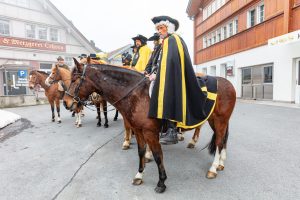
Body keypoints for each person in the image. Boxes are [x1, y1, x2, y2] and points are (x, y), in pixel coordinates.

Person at [148, 16, 207, 145]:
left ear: (169, 28)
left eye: (161, 28)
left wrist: (157, 75)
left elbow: (171, 63)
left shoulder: (173, 39)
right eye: (157, 29)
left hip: (172, 77)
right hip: (161, 75)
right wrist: (152, 72)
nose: (159, 31)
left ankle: (172, 130)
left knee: (168, 95)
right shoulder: (164, 42)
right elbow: (159, 62)